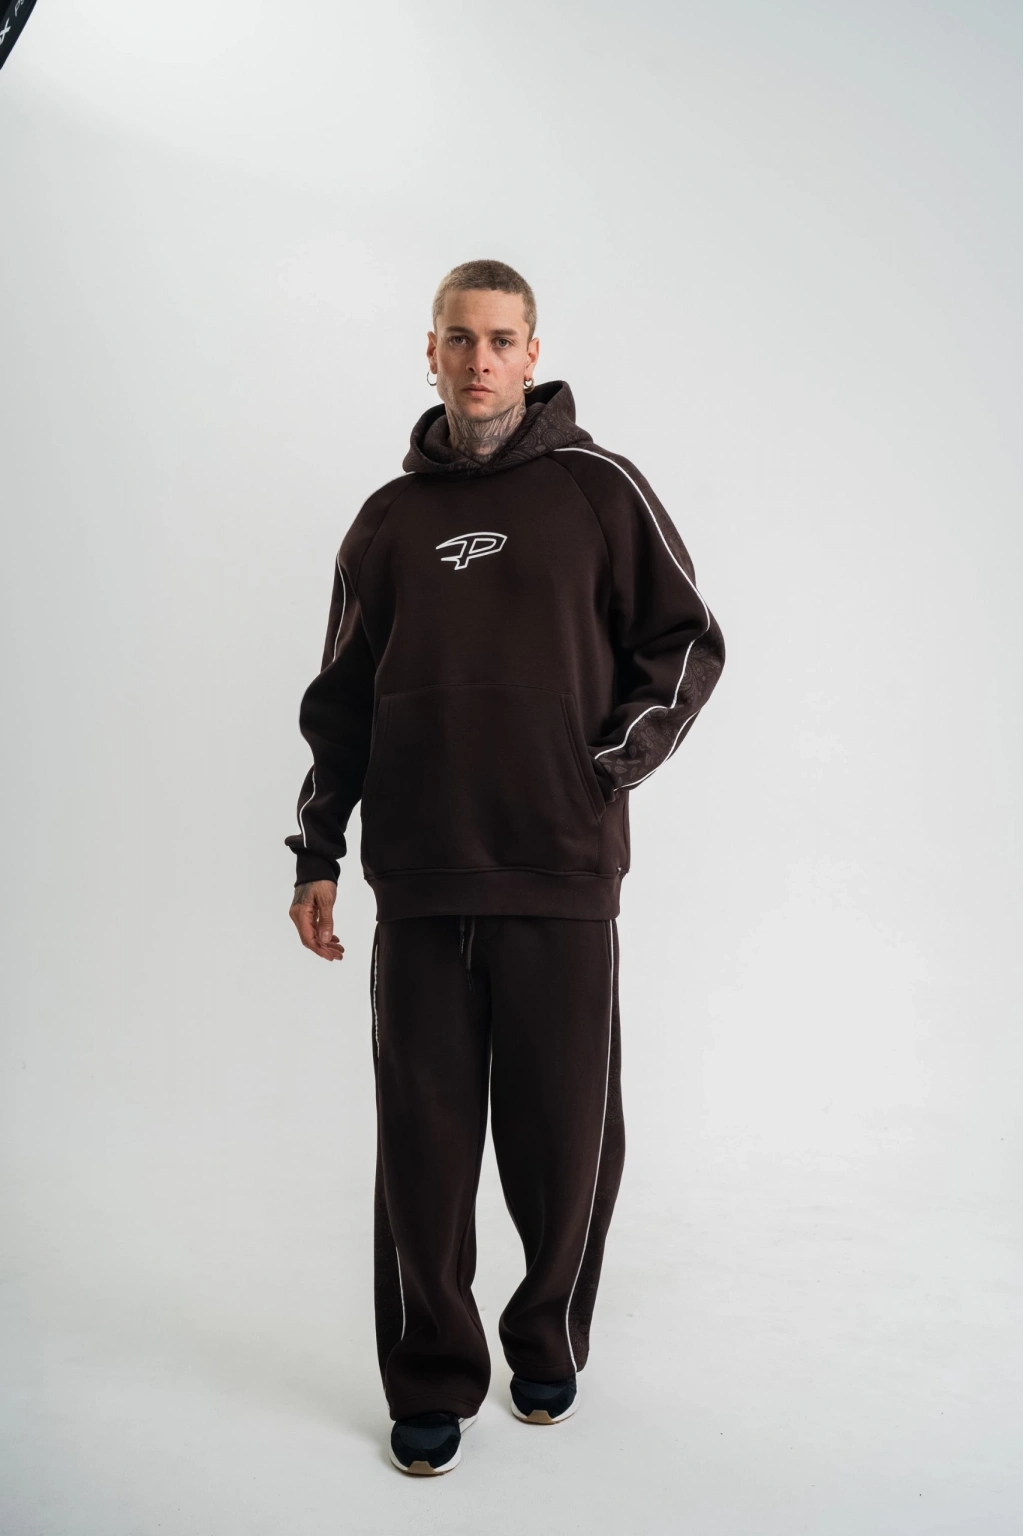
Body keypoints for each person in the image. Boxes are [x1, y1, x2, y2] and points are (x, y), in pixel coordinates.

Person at [285, 259, 726, 1475]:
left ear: (532, 353)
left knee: (563, 1141)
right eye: (457, 338)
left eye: (499, 339)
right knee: (422, 1155)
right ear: (428, 352)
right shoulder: (385, 522)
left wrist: (607, 763)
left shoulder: (598, 489)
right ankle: (432, 1374)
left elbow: (685, 641)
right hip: (421, 881)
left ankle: (545, 1338)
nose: (477, 360)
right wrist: (319, 848)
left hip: (558, 869)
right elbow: (341, 703)